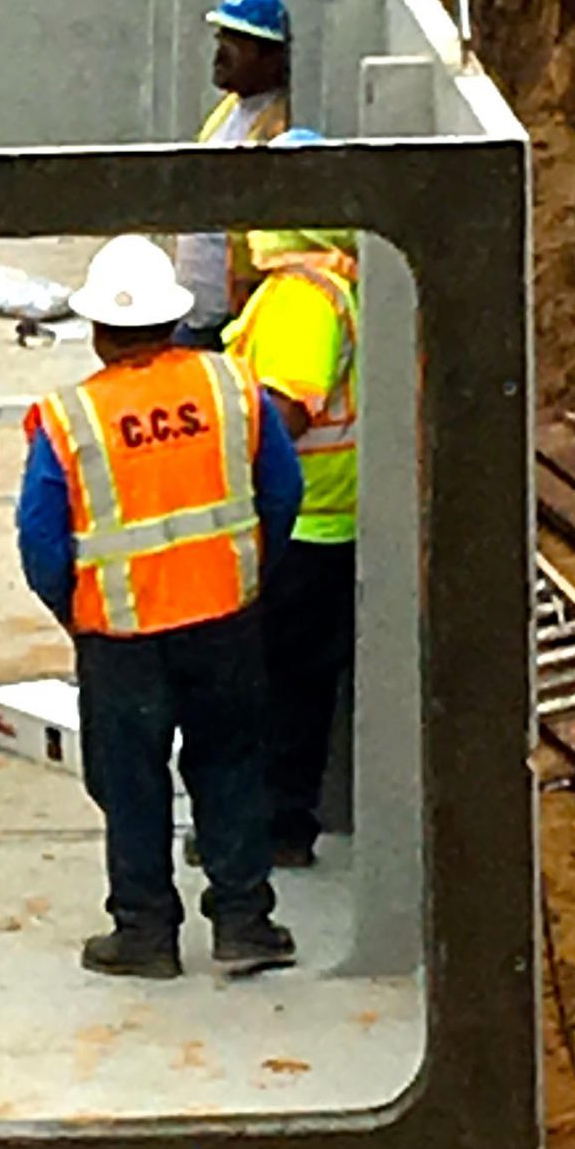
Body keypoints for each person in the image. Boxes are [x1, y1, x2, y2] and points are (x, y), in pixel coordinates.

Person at [15, 235, 302, 980]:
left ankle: (144, 931)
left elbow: (41, 541)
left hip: (121, 637)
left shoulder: (69, 417)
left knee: (131, 778)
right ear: (173, 322)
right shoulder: (233, 387)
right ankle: (245, 921)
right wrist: (247, 572)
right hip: (224, 620)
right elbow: (282, 491)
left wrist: (77, 610)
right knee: (232, 766)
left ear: (101, 333)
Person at [225, 133, 358, 868]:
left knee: (276, 685)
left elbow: (287, 412)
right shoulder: (334, 280)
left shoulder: (303, 297)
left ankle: (276, 826)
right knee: (292, 682)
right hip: (318, 516)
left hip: (299, 522)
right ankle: (279, 819)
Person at [176, 0, 291, 347]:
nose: (221, 52)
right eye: (221, 38)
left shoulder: (276, 127)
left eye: (238, 42)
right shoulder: (230, 110)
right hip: (196, 309)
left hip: (228, 318)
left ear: (271, 56)